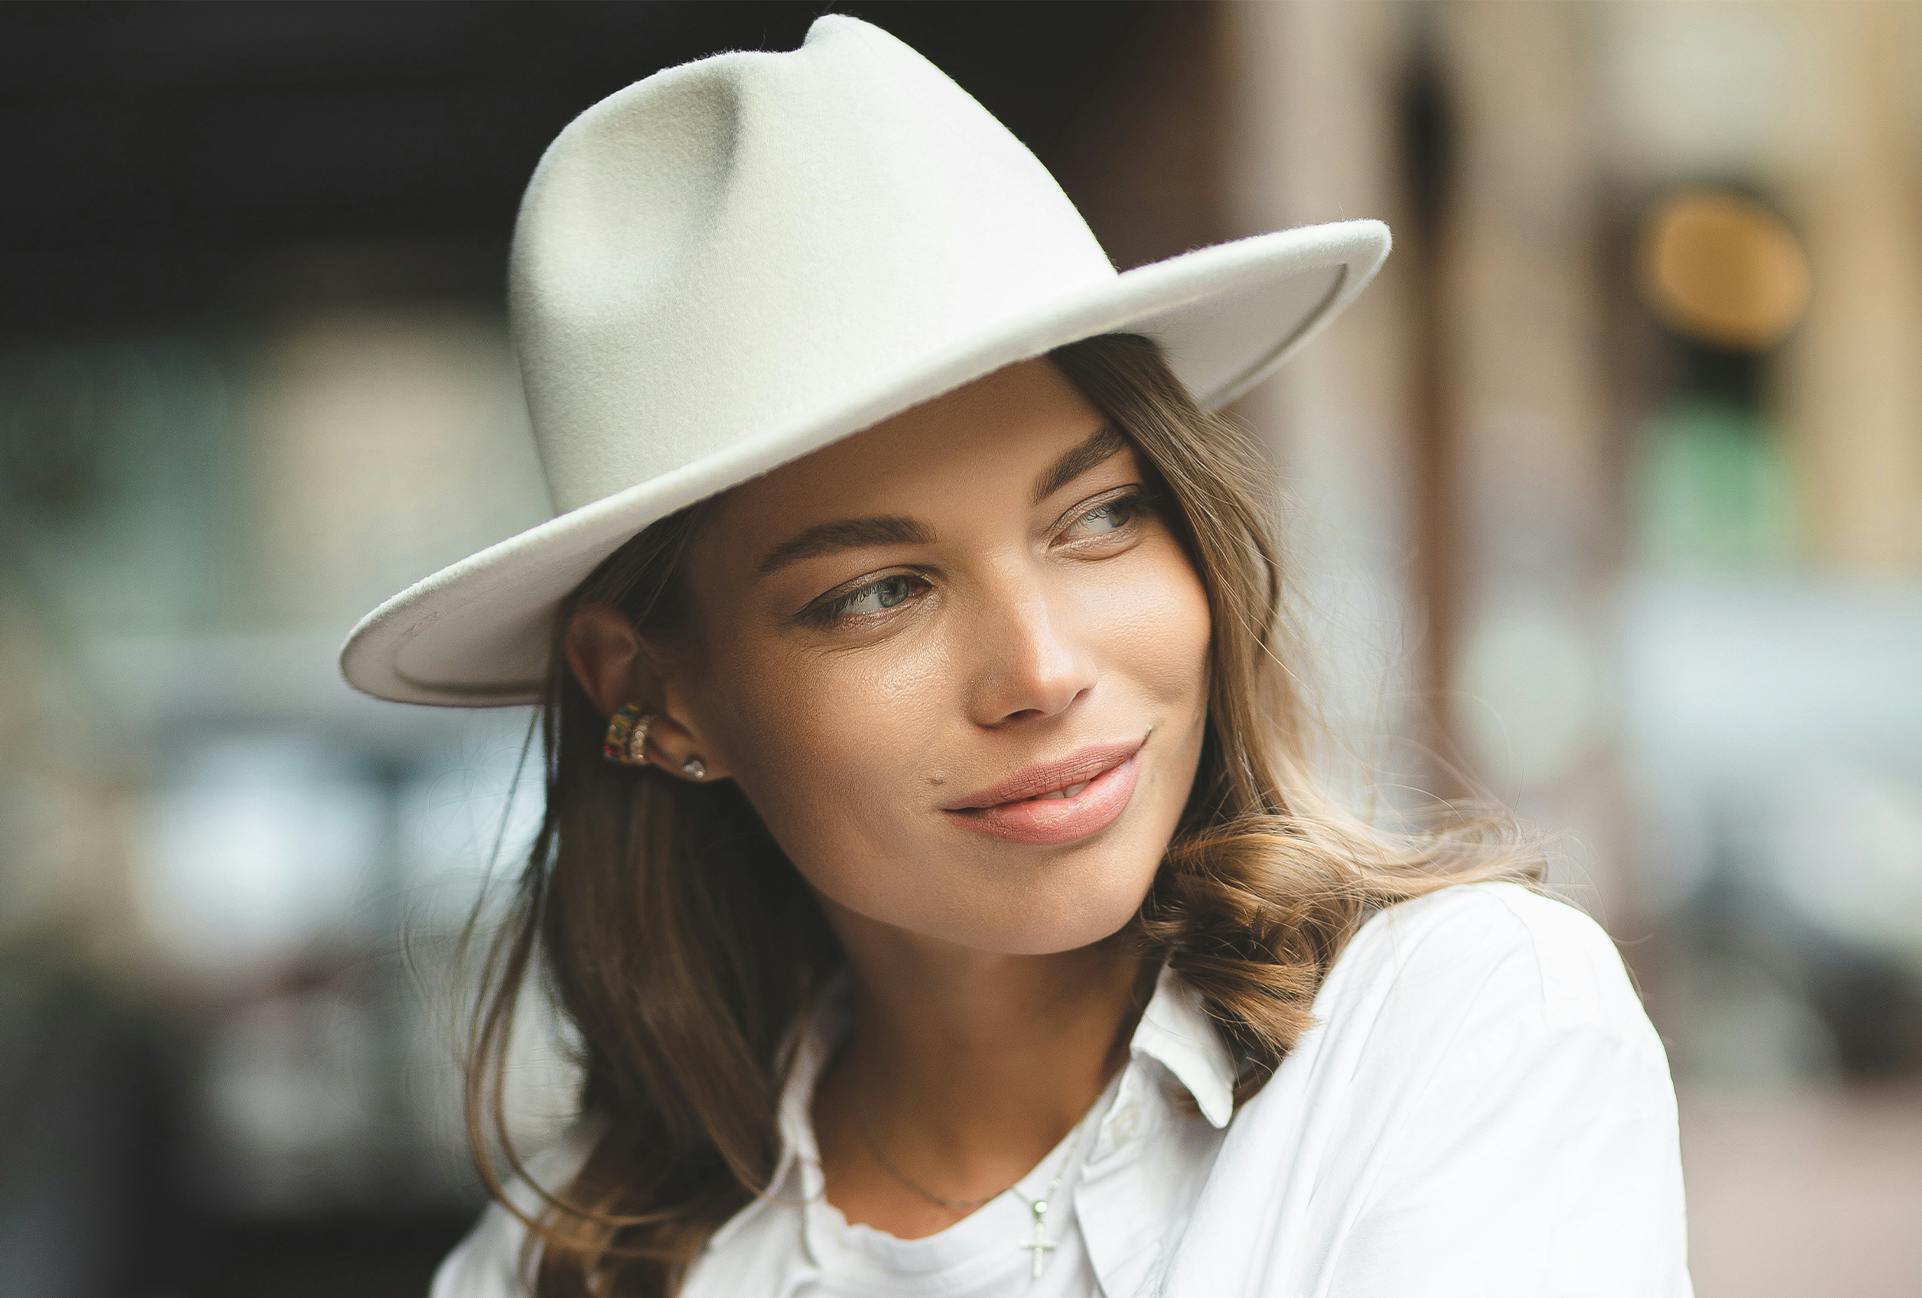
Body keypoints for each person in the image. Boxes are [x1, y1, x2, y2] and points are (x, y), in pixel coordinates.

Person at [338, 13, 1694, 1298]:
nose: (1040, 669)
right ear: (652, 685)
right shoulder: (568, 1261)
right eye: (877, 592)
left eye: (1099, 515)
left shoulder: (1454, 1033)